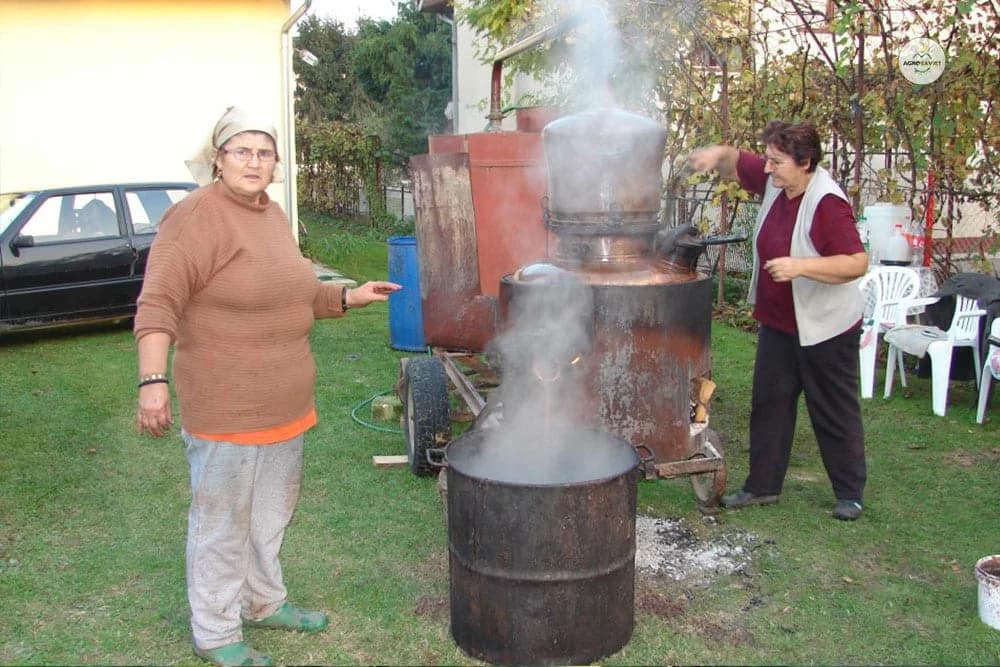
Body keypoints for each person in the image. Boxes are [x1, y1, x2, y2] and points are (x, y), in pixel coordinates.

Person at [134, 106, 401, 667]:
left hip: (286, 401)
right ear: (217, 159)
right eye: (241, 151)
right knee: (222, 522)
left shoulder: (271, 215)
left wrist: (346, 296)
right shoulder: (193, 218)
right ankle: (214, 631)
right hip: (227, 405)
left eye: (264, 153)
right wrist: (153, 381)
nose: (254, 162)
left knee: (269, 515)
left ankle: (263, 601)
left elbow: (292, 289)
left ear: (276, 164)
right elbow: (158, 305)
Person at [688, 121, 869, 521]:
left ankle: (849, 493)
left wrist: (801, 266)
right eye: (767, 159)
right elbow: (738, 162)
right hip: (779, 324)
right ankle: (762, 487)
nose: (767, 169)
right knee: (770, 405)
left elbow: (857, 262)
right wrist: (716, 153)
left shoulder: (827, 203)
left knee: (832, 408)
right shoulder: (776, 182)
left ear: (805, 163)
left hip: (825, 327)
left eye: (777, 162)